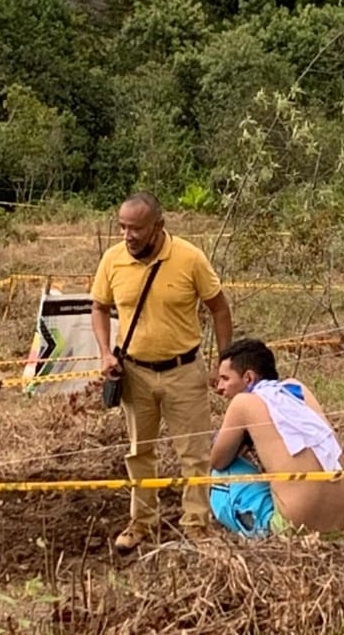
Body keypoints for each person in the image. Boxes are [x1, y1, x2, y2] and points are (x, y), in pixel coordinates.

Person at [91, 191, 232, 552]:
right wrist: (106, 353)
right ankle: (141, 523)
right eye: (122, 227)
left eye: (136, 228)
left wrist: (223, 361)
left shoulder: (189, 258)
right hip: (135, 373)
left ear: (159, 226)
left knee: (195, 453)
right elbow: (99, 307)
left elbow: (219, 308)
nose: (128, 236)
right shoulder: (113, 260)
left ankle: (197, 525)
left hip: (184, 371)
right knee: (139, 452)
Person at [210, 338, 344, 540]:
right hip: (341, 525)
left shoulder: (242, 402)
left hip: (293, 528)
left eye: (225, 378)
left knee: (219, 474)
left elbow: (217, 460)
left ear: (248, 378)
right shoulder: (297, 389)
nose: (219, 387)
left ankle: (263, 537)